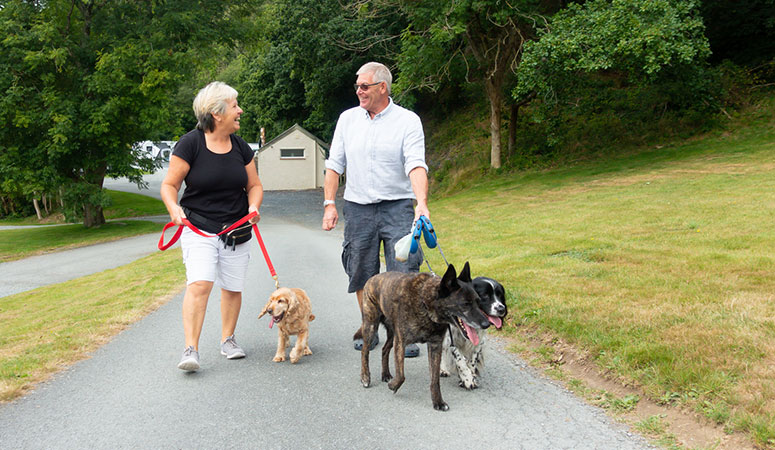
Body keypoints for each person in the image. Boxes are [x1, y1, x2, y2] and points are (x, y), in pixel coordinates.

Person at [322, 62, 429, 358]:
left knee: (404, 270)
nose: (359, 91)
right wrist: (330, 204)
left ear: (383, 87)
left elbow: (416, 164)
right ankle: (369, 327)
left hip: (398, 207)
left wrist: (421, 204)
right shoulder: (347, 120)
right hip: (358, 208)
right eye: (357, 86)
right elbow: (334, 165)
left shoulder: (408, 121)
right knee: (361, 270)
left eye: (364, 86)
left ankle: (402, 331)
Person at [161, 81, 263, 372]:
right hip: (199, 227)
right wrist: (174, 209)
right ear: (216, 113)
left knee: (232, 287)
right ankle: (190, 349)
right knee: (200, 283)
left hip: (236, 229)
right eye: (234, 105)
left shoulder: (241, 147)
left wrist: (254, 206)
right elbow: (169, 185)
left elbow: (254, 185)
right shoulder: (190, 143)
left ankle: (228, 340)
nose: (240, 110)